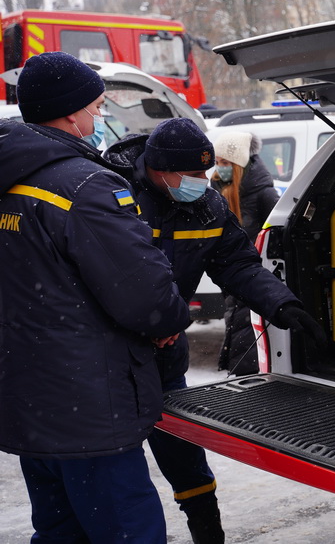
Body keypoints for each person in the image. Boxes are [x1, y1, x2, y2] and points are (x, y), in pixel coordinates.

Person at [0, 52, 192, 542]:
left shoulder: (10, 179)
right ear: (70, 113)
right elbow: (146, 296)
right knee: (125, 532)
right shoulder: (84, 185)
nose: (100, 116)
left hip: (29, 403)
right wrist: (167, 320)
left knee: (61, 530)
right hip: (89, 409)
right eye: (97, 105)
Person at [104, 118, 324, 544]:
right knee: (117, 462)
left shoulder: (207, 206)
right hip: (113, 356)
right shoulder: (112, 197)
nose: (204, 182)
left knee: (181, 444)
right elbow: (101, 276)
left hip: (166, 353)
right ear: (158, 168)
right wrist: (148, 324)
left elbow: (237, 264)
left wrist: (281, 304)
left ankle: (207, 527)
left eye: (207, 172)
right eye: (193, 174)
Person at [210, 131, 280, 374]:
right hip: (230, 277)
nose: (220, 169)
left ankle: (246, 375)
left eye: (226, 163)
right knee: (238, 327)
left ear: (239, 163)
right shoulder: (220, 189)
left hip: (252, 275)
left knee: (247, 332)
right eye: (217, 162)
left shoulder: (264, 194)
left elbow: (277, 238)